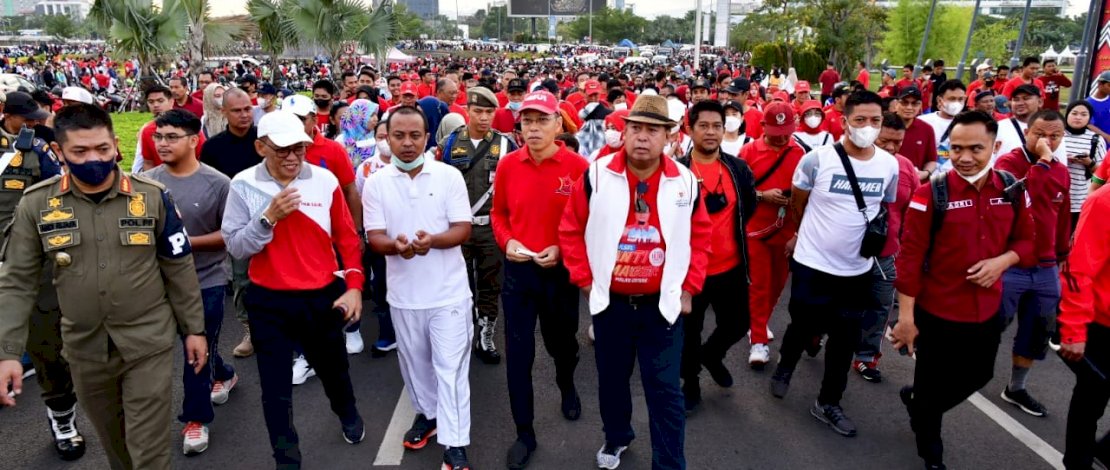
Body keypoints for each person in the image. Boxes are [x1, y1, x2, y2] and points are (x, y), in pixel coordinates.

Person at [0, 103, 207, 470]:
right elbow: (16, 281)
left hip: (147, 342)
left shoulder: (152, 196)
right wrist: (8, 352)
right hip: (83, 348)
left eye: (102, 149)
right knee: (116, 446)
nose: (94, 159)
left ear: (115, 145)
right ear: (59, 152)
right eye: (80, 151)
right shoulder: (37, 204)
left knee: (149, 450)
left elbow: (178, 266)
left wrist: (194, 329)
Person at [559, 94, 712, 470]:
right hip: (611, 306)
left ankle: (670, 464)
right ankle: (617, 437)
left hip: (662, 308)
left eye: (653, 131)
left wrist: (690, 288)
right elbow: (570, 230)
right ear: (624, 133)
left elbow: (701, 238)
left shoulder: (686, 182)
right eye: (636, 129)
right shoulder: (596, 175)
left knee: (664, 392)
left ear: (669, 138)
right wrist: (584, 281)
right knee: (612, 383)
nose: (643, 137)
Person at [891, 110, 1035, 469]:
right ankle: (931, 451)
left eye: (976, 148)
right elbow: (909, 259)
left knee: (980, 375)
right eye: (956, 149)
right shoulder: (930, 194)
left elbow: (1030, 242)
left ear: (995, 147)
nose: (965, 158)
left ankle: (921, 403)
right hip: (936, 311)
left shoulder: (1013, 190)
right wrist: (906, 319)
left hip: (987, 310)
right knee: (931, 383)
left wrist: (1003, 261)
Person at [222, 110, 366, 467]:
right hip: (268, 300)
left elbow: (347, 240)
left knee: (334, 371)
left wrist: (354, 287)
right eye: (282, 150)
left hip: (320, 298)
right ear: (260, 147)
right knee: (275, 389)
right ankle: (287, 459)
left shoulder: (324, 180)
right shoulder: (242, 184)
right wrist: (268, 218)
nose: (292, 157)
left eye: (299, 149)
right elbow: (236, 246)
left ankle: (347, 412)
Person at [770, 91, 899, 438]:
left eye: (875, 121)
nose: (867, 127)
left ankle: (829, 402)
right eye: (860, 120)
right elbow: (799, 204)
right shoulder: (816, 161)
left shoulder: (889, 165)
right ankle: (785, 365)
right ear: (844, 122)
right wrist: (803, 236)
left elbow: (883, 208)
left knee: (844, 341)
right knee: (802, 323)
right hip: (812, 265)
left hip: (857, 270)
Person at [363, 105, 475, 470]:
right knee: (415, 367)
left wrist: (434, 241)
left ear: (428, 139)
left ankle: (455, 444)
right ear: (387, 138)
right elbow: (374, 237)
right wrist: (395, 246)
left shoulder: (448, 176)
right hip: (404, 296)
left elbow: (463, 229)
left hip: (449, 295)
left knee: (450, 370)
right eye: (399, 136)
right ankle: (428, 415)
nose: (407, 143)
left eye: (415, 136)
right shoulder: (376, 182)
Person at [490, 90, 589, 469]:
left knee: (562, 345)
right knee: (519, 354)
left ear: (558, 124)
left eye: (541, 120)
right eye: (527, 121)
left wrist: (562, 250)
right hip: (519, 273)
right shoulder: (509, 165)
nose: (532, 128)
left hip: (559, 275)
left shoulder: (578, 167)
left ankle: (567, 383)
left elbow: (587, 223)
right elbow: (499, 215)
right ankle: (524, 432)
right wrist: (508, 240)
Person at [144, 109, 236, 455]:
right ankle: (223, 371)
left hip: (207, 279)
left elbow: (227, 234)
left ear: (193, 140)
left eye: (171, 137)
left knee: (193, 350)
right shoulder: (147, 181)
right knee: (196, 350)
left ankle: (196, 418)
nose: (162, 143)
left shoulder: (218, 183)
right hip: (157, 283)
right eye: (158, 136)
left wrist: (180, 241)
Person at [0, 90, 85, 461]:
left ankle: (62, 419)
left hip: (28, 262)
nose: (35, 123)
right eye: (27, 118)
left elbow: (63, 194)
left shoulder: (35, 151)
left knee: (47, 347)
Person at [676, 100, 757, 412]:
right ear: (690, 129)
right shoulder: (677, 173)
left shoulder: (738, 169)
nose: (711, 132)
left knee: (738, 324)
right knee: (688, 333)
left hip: (732, 268)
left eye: (717, 126)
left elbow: (746, 208)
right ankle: (691, 382)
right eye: (703, 126)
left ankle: (712, 355)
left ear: (725, 130)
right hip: (690, 272)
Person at [993, 109, 1072, 417]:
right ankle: (959, 370)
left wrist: (1063, 254)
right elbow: (1031, 194)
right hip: (1010, 262)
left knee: (1037, 328)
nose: (1048, 141)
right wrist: (1042, 160)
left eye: (1055, 136)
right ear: (1027, 133)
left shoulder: (1061, 170)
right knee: (990, 322)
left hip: (1046, 265)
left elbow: (1061, 214)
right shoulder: (1008, 165)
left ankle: (1016, 387)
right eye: (1040, 134)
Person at [438, 86, 519, 365]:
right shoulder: (451, 142)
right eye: (478, 111)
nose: (484, 118)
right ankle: (459, 332)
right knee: (457, 283)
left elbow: (515, 186)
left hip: (490, 227)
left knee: (490, 282)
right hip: (459, 226)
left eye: (489, 112)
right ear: (467, 111)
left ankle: (486, 333)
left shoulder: (506, 144)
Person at [281, 94, 363, 361]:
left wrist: (357, 231)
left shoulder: (332, 149)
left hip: (333, 232)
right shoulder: (277, 150)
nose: (294, 125)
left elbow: (350, 190)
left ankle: (351, 327)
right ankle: (306, 352)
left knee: (341, 280)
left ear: (314, 119)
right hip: (296, 238)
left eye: (300, 120)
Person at [851, 112, 920, 383]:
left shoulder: (906, 169)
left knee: (880, 306)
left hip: (887, 253)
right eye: (885, 141)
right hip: (846, 252)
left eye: (897, 142)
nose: (891, 148)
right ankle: (816, 335)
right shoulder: (850, 162)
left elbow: (914, 215)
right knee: (836, 304)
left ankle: (866, 357)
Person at [741, 102, 806, 368]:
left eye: (786, 130)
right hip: (755, 230)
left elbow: (807, 195)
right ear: (764, 127)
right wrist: (762, 196)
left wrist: (798, 231)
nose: (781, 136)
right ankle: (758, 341)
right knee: (758, 285)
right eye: (776, 130)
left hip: (787, 231)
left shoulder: (800, 152)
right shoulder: (748, 151)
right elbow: (739, 190)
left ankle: (759, 322)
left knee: (778, 284)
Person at [201, 88, 262, 358]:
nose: (244, 115)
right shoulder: (213, 148)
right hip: (237, 225)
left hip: (272, 219)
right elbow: (209, 189)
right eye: (236, 110)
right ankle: (250, 330)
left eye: (247, 108)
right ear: (223, 112)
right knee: (242, 280)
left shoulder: (266, 140)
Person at [1058, 165, 1110, 470]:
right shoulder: (1103, 202)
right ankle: (1077, 463)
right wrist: (1074, 330)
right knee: (1091, 400)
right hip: (1101, 324)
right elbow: (1078, 270)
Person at [354, 121, 398, 357]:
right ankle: (388, 335)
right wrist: (361, 233)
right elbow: (359, 202)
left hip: (408, 239)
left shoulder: (416, 164)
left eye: (388, 136)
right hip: (378, 241)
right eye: (380, 136)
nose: (385, 141)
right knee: (380, 287)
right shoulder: (366, 168)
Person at [1062, 101, 1106, 230]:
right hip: (1055, 197)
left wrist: (1089, 163)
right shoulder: (1057, 134)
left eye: (1083, 114)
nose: (1078, 117)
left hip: (1079, 198)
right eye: (1074, 113)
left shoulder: (1096, 139)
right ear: (1067, 114)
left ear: (1089, 118)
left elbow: (1103, 172)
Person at [918, 79, 967, 169]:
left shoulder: (970, 125)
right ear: (939, 100)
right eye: (952, 99)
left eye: (960, 99)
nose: (957, 103)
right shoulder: (922, 122)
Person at [894, 86, 938, 181]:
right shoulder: (884, 126)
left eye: (914, 104)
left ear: (920, 106)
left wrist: (925, 173)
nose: (909, 107)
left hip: (915, 184)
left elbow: (932, 160)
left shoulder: (927, 129)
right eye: (905, 102)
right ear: (896, 104)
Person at [995, 84, 1049, 159]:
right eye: (1016, 99)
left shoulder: (1050, 128)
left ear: (1040, 102)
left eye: (1026, 98)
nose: (1020, 103)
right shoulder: (998, 127)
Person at [1088, 71, 1110, 144]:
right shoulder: (1088, 103)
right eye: (1109, 85)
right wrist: (1106, 137)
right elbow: (1089, 124)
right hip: (1100, 143)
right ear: (1100, 84)